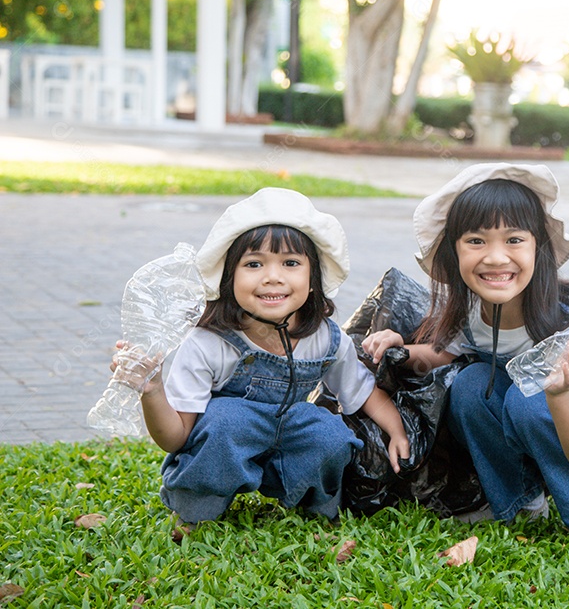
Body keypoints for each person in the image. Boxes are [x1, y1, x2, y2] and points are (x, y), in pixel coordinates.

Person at [362, 163, 569, 552]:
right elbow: (448, 353)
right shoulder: (476, 308)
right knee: (471, 385)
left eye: (513, 240)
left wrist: (558, 395)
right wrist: (400, 350)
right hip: (542, 405)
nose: (494, 258)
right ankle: (522, 502)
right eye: (476, 240)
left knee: (528, 397)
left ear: (538, 248)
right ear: (454, 250)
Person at [120, 188, 409, 525]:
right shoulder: (206, 343)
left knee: (329, 433)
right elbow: (177, 436)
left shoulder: (326, 338)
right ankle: (196, 513)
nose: (273, 276)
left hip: (290, 431)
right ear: (229, 279)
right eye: (254, 263)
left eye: (291, 263)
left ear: (314, 279)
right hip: (226, 442)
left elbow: (363, 394)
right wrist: (152, 390)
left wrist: (398, 431)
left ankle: (316, 513)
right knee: (228, 419)